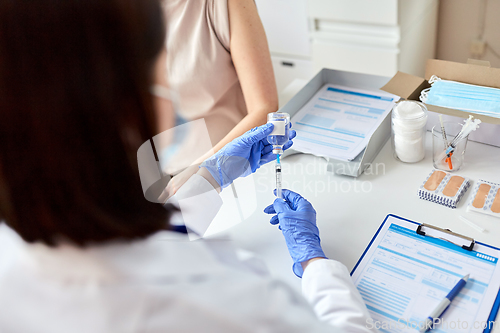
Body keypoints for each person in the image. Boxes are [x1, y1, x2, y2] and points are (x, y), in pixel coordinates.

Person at [0, 1, 373, 332]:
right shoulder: (218, 300)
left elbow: (131, 245)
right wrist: (315, 263)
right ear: (130, 106)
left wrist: (211, 174)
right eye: (157, 75)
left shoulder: (13, 264)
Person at [159, 0, 279, 194]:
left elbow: (264, 107)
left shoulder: (225, 4)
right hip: (152, 171)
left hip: (220, 172)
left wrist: (202, 170)